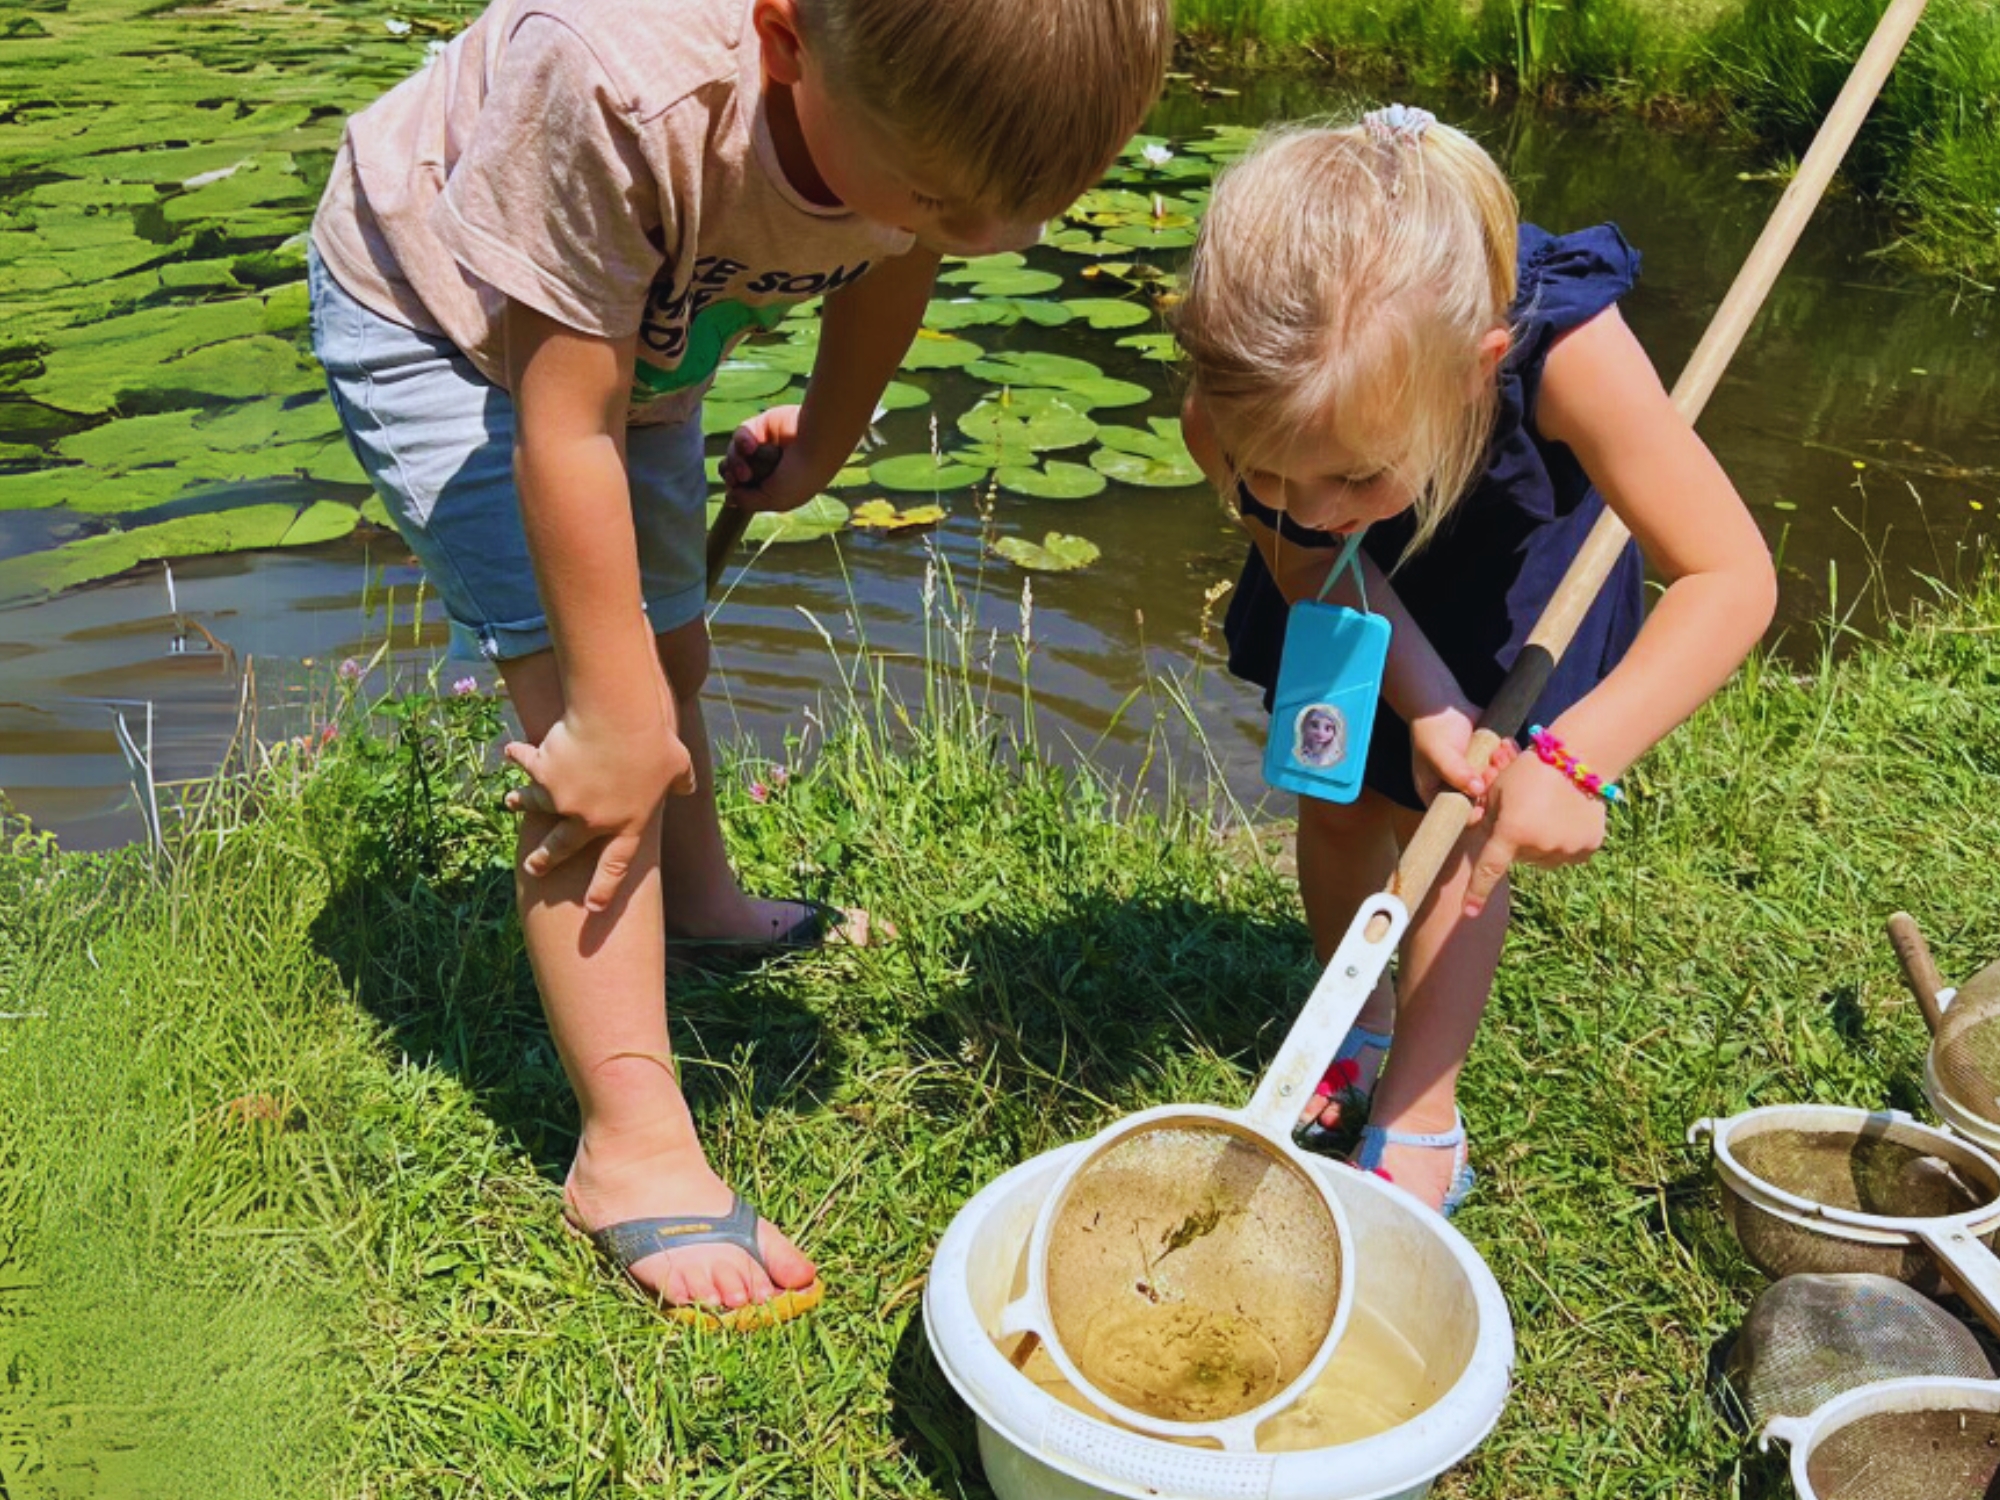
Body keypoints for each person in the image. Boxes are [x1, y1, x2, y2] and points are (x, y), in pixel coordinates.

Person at [307, 0, 1171, 1323]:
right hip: (444, 316)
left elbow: (901, 254)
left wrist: (825, 437)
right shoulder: (617, 84)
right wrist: (609, 719)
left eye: (1018, 217)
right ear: (783, 43)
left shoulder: (908, 134)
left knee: (668, 648)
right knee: (588, 698)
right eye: (943, 201)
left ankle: (701, 909)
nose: (986, 238)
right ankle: (630, 1143)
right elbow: (563, 429)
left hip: (635, 327)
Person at [1174, 109, 1777, 1213]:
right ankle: (1356, 1019)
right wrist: (1426, 702)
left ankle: (1421, 1115)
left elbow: (1730, 576)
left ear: (1475, 372)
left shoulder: (1569, 354)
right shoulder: (1235, 413)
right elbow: (1308, 555)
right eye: (1270, 472)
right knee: (1339, 797)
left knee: (1458, 831)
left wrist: (1573, 759)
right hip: (1350, 597)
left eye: (1352, 475)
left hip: (1507, 584)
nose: (1310, 504)